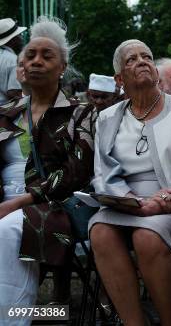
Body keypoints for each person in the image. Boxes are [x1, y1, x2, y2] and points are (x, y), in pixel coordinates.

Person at [89, 39, 171, 325]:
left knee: (147, 236)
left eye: (147, 57)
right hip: (124, 202)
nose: (141, 61)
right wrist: (132, 200)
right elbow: (103, 171)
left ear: (155, 71)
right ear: (119, 79)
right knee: (100, 232)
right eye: (131, 59)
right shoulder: (106, 118)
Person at [0, 17, 96, 314]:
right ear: (21, 67)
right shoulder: (6, 113)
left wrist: (21, 201)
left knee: (6, 230)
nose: (37, 61)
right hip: (5, 200)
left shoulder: (81, 113)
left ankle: (12, 318)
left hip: (51, 205)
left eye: (47, 56)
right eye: (30, 56)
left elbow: (77, 172)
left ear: (62, 67)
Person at [0, 18, 25, 102]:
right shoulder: (13, 60)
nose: (22, 39)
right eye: (19, 35)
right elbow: (14, 92)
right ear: (12, 40)